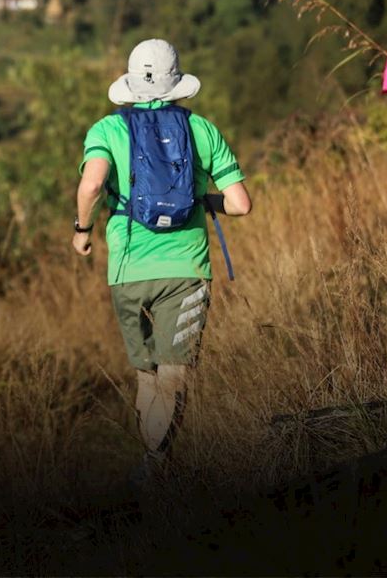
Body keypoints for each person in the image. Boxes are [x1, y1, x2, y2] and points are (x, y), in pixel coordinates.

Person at [72, 38, 251, 482]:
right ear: (178, 83)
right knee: (175, 374)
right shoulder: (202, 130)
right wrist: (200, 199)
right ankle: (157, 467)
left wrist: (81, 230)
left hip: (128, 268)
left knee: (147, 373)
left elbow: (92, 186)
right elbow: (241, 204)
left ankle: (152, 467)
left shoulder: (106, 131)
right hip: (186, 270)